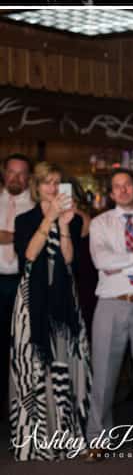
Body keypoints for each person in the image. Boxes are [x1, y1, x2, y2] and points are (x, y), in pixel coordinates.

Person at [9, 163, 90, 461]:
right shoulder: (25, 219)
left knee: (64, 366)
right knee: (32, 367)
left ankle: (67, 438)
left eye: (58, 183)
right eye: (47, 183)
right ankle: (34, 442)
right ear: (37, 186)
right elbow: (29, 255)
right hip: (31, 302)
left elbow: (69, 261)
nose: (53, 188)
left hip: (64, 301)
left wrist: (65, 224)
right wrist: (49, 219)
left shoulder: (73, 220)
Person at [86, 168, 133, 451]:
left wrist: (125, 263)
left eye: (127, 184)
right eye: (117, 186)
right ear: (111, 192)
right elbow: (103, 261)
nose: (123, 190)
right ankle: (97, 439)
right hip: (111, 305)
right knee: (104, 374)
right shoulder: (100, 223)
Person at [0, 153, 34, 414]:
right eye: (12, 172)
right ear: (4, 173)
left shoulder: (35, 206)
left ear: (29, 178)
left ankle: (17, 406)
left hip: (21, 282)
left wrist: (9, 236)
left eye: (22, 173)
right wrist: (19, 236)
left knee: (19, 345)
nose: (16, 178)